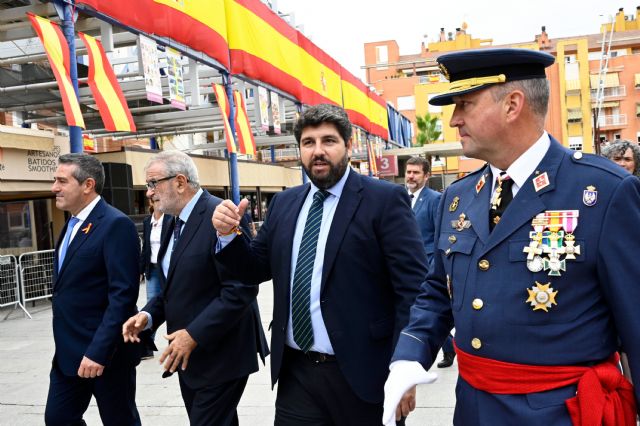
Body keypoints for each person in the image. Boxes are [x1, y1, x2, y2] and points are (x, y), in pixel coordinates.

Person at [384, 48, 640, 426]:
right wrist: (409, 355)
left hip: (560, 412)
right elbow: (439, 289)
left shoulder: (601, 192)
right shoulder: (458, 197)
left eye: (465, 104)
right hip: (473, 408)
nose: (454, 119)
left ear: (512, 104)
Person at [212, 104, 428, 425]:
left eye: (329, 141)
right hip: (297, 375)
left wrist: (406, 365)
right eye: (308, 143)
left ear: (348, 146)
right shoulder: (285, 203)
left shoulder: (383, 200)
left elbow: (413, 291)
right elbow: (255, 268)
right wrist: (229, 236)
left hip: (363, 373)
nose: (318, 151)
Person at [122, 150, 268, 426]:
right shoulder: (170, 220)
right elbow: (174, 284)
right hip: (190, 357)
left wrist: (194, 334)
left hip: (224, 353)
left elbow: (242, 289)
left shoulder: (222, 215)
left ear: (180, 182)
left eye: (153, 184)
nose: (149, 193)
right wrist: (149, 314)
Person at [46, 153, 143, 426]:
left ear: (87, 185)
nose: (54, 187)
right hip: (68, 353)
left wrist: (98, 351)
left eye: (61, 181)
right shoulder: (71, 225)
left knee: (119, 420)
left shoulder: (115, 224)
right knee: (58, 418)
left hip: (105, 353)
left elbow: (122, 296)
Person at [405, 157, 454, 368]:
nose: (411, 176)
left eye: (416, 173)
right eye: (408, 172)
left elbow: (438, 236)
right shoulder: (400, 197)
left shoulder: (434, 199)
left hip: (426, 266)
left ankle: (448, 349)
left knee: (426, 311)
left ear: (426, 176)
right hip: (404, 266)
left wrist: (434, 267)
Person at [138, 197, 172, 359]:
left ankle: (173, 340)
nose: (155, 201)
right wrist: (141, 269)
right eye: (152, 200)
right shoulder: (147, 221)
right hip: (152, 269)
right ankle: (147, 344)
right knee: (151, 305)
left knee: (170, 304)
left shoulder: (170, 219)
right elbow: (145, 247)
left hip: (167, 269)